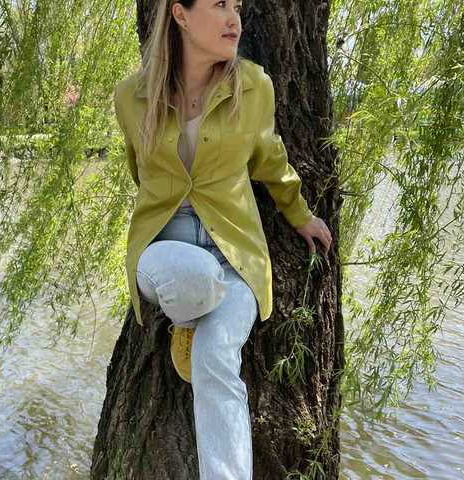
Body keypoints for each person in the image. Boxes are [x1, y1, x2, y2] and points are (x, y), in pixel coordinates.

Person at [113, 1, 333, 478]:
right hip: (164, 253)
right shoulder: (130, 96)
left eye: (236, 6)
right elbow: (138, 170)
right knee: (195, 276)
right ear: (180, 14)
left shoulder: (253, 86)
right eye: (219, 5)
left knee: (215, 358)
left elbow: (270, 160)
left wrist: (300, 215)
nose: (235, 18)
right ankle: (186, 318)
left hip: (236, 259)